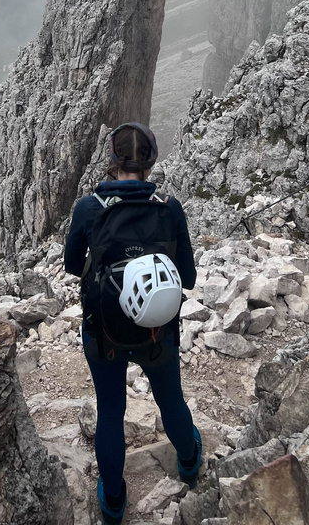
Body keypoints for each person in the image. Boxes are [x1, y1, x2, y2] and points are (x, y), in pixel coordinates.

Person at [64, 122, 202, 524]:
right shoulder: (168, 207)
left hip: (104, 330)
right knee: (170, 398)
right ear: (150, 161)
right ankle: (190, 463)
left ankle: (112, 502)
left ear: (113, 159)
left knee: (110, 412)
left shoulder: (90, 208)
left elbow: (74, 265)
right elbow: (188, 279)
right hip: (158, 330)